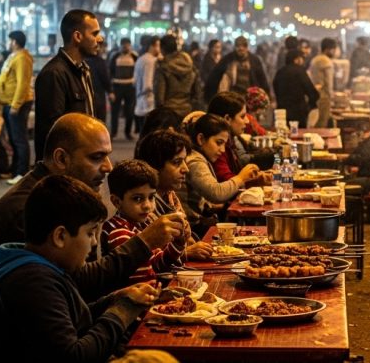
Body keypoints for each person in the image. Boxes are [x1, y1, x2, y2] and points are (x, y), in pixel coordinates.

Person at [0, 113, 183, 363]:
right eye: (96, 157)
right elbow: (76, 287)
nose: (108, 167)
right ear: (61, 158)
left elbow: (70, 297)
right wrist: (143, 244)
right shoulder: (33, 209)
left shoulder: (57, 200)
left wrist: (117, 300)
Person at [0, 175, 158, 363]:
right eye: (90, 233)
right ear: (60, 236)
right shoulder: (31, 282)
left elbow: (73, 321)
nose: (94, 243)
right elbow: (74, 356)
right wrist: (121, 311)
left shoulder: (41, 267)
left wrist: (115, 300)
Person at [34, 9, 103, 161]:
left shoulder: (84, 70)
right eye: (94, 34)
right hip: (67, 167)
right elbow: (52, 131)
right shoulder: (54, 74)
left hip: (85, 161)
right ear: (77, 36)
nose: (100, 39)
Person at [136, 130, 215, 260]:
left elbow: (186, 239)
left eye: (184, 161)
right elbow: (145, 258)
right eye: (177, 162)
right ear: (154, 166)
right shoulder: (142, 204)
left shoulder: (169, 195)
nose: (186, 169)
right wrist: (186, 253)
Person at [182, 115, 263, 235]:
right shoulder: (195, 161)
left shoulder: (200, 156)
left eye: (224, 144)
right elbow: (216, 193)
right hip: (192, 228)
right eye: (219, 143)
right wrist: (241, 177)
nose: (223, 150)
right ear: (201, 139)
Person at [103, 160, 186, 278]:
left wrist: (178, 242)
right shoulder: (119, 232)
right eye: (137, 198)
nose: (147, 205)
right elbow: (143, 279)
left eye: (151, 197)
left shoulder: (142, 223)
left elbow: (158, 264)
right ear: (117, 201)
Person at [0, 30, 34, 178]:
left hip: (17, 104)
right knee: (13, 138)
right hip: (8, 103)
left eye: (9, 40)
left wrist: (16, 105)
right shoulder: (13, 57)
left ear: (14, 42)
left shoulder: (22, 58)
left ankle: (21, 172)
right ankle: (14, 170)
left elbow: (22, 84)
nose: (7, 43)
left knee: (19, 139)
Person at [207, 92, 265, 183]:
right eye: (242, 116)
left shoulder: (231, 139)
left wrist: (260, 176)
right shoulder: (217, 144)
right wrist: (256, 179)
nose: (247, 121)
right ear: (227, 119)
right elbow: (226, 180)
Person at [273, 50, 319, 131]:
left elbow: (275, 90)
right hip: (298, 113)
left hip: (282, 113)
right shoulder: (300, 71)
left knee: (283, 135)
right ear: (296, 59)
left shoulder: (280, 72)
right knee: (297, 135)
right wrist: (310, 105)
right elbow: (312, 93)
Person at [154, 35, 197, 119]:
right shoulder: (189, 65)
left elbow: (159, 97)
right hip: (187, 112)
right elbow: (195, 92)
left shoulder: (163, 68)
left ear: (162, 49)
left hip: (169, 113)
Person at [109, 38, 138, 140]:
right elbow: (110, 71)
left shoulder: (135, 57)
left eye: (127, 45)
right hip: (117, 86)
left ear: (130, 45)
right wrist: (111, 89)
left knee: (129, 111)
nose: (125, 46)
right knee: (114, 111)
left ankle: (127, 132)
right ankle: (113, 132)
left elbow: (138, 71)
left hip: (130, 87)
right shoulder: (114, 56)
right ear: (120, 46)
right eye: (123, 45)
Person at [134, 37, 160, 132]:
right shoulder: (151, 61)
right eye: (158, 46)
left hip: (140, 100)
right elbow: (148, 84)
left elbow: (135, 80)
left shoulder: (141, 59)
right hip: (149, 102)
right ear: (152, 46)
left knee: (143, 134)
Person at [310, 38, 337, 127]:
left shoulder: (315, 59)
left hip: (314, 94)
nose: (335, 52)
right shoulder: (326, 62)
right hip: (324, 96)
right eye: (334, 50)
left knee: (316, 120)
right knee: (322, 121)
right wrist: (331, 97)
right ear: (328, 49)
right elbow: (329, 82)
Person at [85, 41, 113, 127]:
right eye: (103, 47)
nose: (104, 50)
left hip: (86, 94)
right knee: (100, 120)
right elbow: (104, 77)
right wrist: (110, 91)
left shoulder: (83, 60)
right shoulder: (100, 61)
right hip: (98, 94)